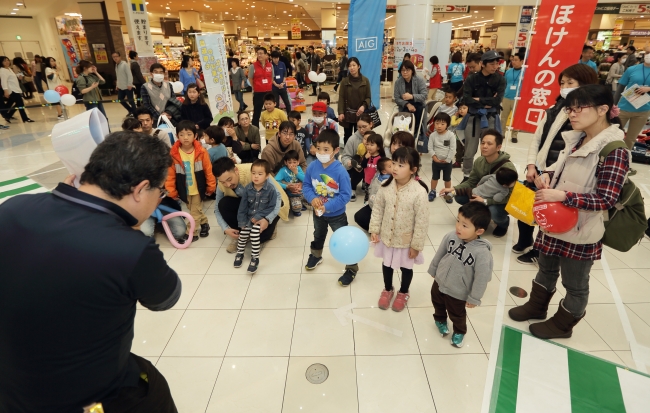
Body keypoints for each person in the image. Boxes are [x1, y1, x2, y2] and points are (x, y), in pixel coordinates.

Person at [0, 131, 180, 412]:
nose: (159, 199)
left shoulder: (12, 208)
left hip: (11, 389)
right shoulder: (129, 248)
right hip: (86, 400)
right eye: (161, 192)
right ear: (141, 189)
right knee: (152, 388)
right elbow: (166, 297)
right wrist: (128, 229)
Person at [509, 84, 628, 340]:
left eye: (578, 109)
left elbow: (607, 198)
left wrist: (563, 196)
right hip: (556, 222)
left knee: (575, 283)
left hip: (581, 229)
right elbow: (559, 168)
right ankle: (537, 306)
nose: (572, 114)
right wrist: (547, 177)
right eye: (570, 109)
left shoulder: (614, 149)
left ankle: (563, 325)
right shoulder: (577, 139)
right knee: (545, 268)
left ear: (602, 110)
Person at [516, 64, 599, 265]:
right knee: (527, 206)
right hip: (543, 168)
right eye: (562, 83)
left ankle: (539, 250)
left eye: (570, 82)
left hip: (563, 173)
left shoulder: (589, 114)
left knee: (551, 213)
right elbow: (536, 140)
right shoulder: (555, 109)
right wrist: (531, 165)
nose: (565, 87)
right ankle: (525, 240)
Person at [370, 147, 429, 312]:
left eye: (401, 165)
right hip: (387, 236)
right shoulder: (385, 185)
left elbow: (422, 221)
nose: (395, 168)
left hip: (406, 240)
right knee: (387, 264)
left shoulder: (419, 192)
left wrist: (416, 245)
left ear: (413, 170)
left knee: (406, 267)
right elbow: (378, 209)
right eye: (394, 163)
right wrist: (374, 229)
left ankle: (403, 292)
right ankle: (388, 289)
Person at [429, 202, 493, 348]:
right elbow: (440, 253)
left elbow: (482, 278)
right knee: (437, 303)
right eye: (458, 220)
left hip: (458, 292)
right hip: (439, 282)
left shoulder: (482, 254)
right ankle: (440, 320)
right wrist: (434, 269)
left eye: (465, 225)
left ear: (479, 231)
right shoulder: (451, 236)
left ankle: (459, 331)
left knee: (457, 313)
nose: (458, 227)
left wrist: (474, 297)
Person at [303, 129, 357, 286]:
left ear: (335, 150)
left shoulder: (340, 172)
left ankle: (352, 267)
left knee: (343, 240)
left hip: (337, 215)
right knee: (318, 234)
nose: (321, 152)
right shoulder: (313, 166)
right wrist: (312, 199)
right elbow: (306, 185)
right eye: (318, 148)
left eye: (326, 149)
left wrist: (327, 207)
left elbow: (345, 195)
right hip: (317, 212)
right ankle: (316, 255)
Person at [440, 129, 516, 238]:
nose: (484, 146)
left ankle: (503, 223)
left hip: (499, 199)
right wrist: (453, 189)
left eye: (489, 144)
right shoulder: (479, 161)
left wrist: (485, 201)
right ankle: (482, 214)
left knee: (493, 211)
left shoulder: (508, 168)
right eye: (483, 143)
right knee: (460, 197)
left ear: (498, 147)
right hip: (482, 193)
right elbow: (471, 182)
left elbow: (510, 196)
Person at [213, 156, 288, 253]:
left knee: (260, 238)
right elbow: (217, 208)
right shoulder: (221, 184)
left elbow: (277, 197)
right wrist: (225, 229)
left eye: (229, 179)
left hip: (269, 206)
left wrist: (267, 218)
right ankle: (241, 234)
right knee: (223, 204)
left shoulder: (255, 172)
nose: (228, 185)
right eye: (223, 182)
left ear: (236, 170)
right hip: (250, 207)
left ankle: (272, 227)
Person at [165, 120, 216, 242]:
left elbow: (208, 170)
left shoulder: (201, 152)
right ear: (177, 136)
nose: (185, 137)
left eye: (188, 134)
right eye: (181, 134)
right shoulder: (174, 154)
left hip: (198, 188)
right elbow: (170, 175)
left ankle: (191, 233)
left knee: (194, 212)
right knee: (194, 209)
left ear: (195, 135)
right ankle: (205, 223)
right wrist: (171, 191)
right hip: (184, 188)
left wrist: (211, 186)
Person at [459, 50, 506, 179]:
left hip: (491, 118)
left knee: (489, 149)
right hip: (473, 118)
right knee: (469, 150)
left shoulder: (500, 79)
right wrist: (486, 102)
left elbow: (497, 101)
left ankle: (486, 176)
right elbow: (467, 99)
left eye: (497, 63)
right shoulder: (471, 78)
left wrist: (478, 100)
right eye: (492, 63)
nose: (495, 66)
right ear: (483, 64)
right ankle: (467, 175)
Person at [234, 159, 277, 274]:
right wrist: (242, 222)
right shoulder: (248, 189)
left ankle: (255, 258)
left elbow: (272, 206)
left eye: (260, 174)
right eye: (253, 173)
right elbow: (242, 208)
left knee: (254, 235)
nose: (256, 176)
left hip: (260, 220)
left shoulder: (271, 189)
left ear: (267, 175)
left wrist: (260, 216)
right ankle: (240, 253)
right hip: (248, 219)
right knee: (242, 234)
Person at [615, 44, 650, 170]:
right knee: (613, 134)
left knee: (631, 139)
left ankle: (624, 163)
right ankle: (608, 159)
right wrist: (613, 104)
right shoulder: (632, 69)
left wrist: (648, 89)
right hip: (624, 108)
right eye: (647, 52)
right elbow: (620, 87)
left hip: (643, 110)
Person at [337, 57, 372, 143]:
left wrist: (363, 106)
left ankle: (360, 154)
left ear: (358, 66)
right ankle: (347, 154)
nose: (352, 68)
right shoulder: (344, 81)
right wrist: (341, 112)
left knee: (361, 136)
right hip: (348, 114)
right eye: (349, 66)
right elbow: (341, 97)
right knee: (347, 136)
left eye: (354, 65)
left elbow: (368, 97)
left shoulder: (365, 80)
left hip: (360, 114)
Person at [341, 114, 374, 202]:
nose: (361, 130)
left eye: (364, 127)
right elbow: (345, 156)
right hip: (356, 166)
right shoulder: (352, 139)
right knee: (359, 164)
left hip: (371, 165)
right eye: (359, 127)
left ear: (371, 124)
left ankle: (366, 182)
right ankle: (353, 188)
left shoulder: (376, 138)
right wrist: (349, 162)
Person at [354, 157, 392, 231]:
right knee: (358, 217)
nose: (394, 167)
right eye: (390, 166)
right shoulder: (380, 177)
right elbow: (371, 187)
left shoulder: (391, 179)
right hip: (374, 205)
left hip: (383, 208)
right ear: (384, 171)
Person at [394, 60, 428, 139]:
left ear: (412, 71)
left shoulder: (419, 80)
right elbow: (397, 98)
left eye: (407, 70)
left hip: (419, 105)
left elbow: (424, 95)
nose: (405, 72)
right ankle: (404, 133)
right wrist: (407, 104)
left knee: (418, 109)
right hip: (405, 106)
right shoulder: (398, 82)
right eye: (403, 70)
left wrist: (412, 96)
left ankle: (416, 132)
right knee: (405, 115)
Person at [427, 112, 456, 203]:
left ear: (447, 124)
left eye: (442, 124)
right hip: (436, 161)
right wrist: (434, 157)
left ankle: (448, 193)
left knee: (447, 178)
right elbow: (430, 148)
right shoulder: (432, 135)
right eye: (437, 123)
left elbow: (453, 149)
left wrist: (448, 159)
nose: (439, 126)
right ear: (434, 123)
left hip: (447, 162)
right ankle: (432, 191)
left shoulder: (451, 135)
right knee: (434, 177)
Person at [0, 56, 34, 123]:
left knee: (11, 104)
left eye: (7, 60)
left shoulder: (9, 69)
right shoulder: (2, 70)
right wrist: (6, 91)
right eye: (4, 61)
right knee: (20, 104)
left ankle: (7, 115)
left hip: (16, 89)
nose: (7, 62)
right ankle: (25, 119)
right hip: (12, 90)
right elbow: (3, 82)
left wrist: (19, 76)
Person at [501, 52, 524, 143]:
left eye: (516, 60)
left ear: (522, 61)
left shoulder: (525, 71)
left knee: (516, 118)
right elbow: (504, 83)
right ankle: (502, 133)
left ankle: (514, 135)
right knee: (503, 117)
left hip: (518, 98)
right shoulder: (508, 71)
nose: (513, 61)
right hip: (506, 96)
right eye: (513, 59)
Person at [274, 150, 306, 216]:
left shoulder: (298, 168)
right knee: (297, 209)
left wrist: (296, 172)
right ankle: (297, 205)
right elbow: (275, 181)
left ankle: (301, 202)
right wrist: (286, 186)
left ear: (298, 162)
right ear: (286, 162)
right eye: (290, 162)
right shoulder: (283, 170)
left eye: (294, 162)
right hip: (292, 195)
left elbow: (305, 179)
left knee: (314, 198)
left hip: (302, 192)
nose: (292, 164)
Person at [249, 47, 273, 127]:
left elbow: (272, 77)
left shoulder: (270, 66)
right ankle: (255, 130)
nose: (259, 55)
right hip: (258, 93)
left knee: (270, 112)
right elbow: (250, 78)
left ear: (266, 55)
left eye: (261, 53)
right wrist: (255, 87)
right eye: (258, 53)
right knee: (257, 113)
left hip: (269, 92)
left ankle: (271, 128)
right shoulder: (253, 66)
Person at [112, 51, 136, 117]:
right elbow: (118, 76)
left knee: (131, 101)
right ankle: (131, 110)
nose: (115, 58)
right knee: (120, 99)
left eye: (116, 56)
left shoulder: (124, 64)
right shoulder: (116, 65)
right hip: (121, 86)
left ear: (120, 57)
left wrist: (129, 84)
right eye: (113, 57)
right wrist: (117, 85)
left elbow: (129, 75)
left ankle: (135, 113)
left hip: (127, 86)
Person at [452, 102, 468, 168]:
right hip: (458, 138)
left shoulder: (469, 119)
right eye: (460, 108)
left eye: (464, 108)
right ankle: (458, 162)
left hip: (466, 138)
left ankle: (465, 162)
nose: (461, 110)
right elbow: (453, 123)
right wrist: (454, 116)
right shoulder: (459, 119)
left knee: (466, 150)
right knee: (458, 150)